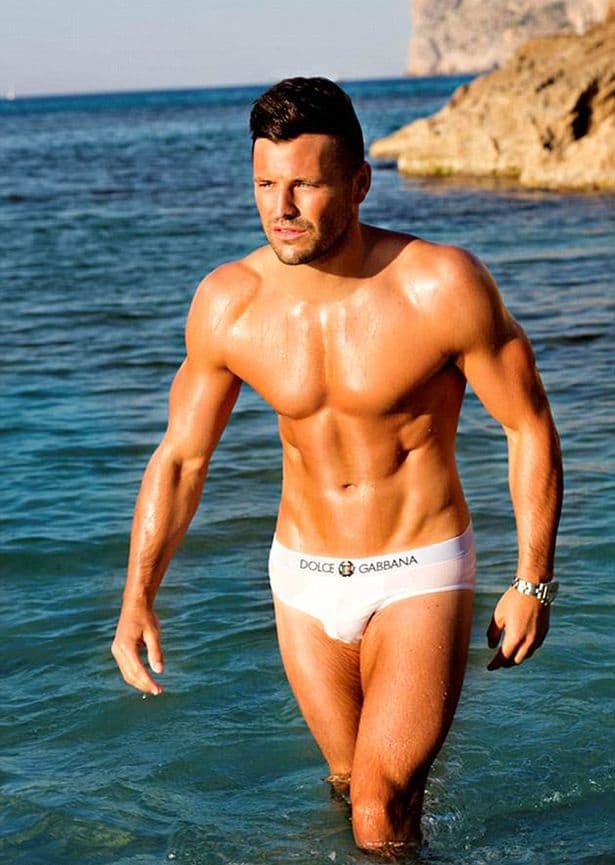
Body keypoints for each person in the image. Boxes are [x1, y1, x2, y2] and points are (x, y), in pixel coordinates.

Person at [111, 77, 563, 855]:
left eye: (305, 185)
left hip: (417, 568)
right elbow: (181, 458)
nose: (281, 207)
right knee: (353, 784)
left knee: (376, 809)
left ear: (358, 183)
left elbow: (528, 427)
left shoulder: (439, 286)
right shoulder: (229, 302)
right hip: (302, 577)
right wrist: (136, 598)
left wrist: (532, 582)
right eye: (265, 185)